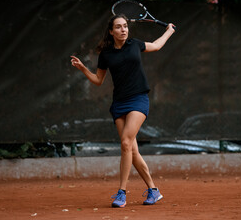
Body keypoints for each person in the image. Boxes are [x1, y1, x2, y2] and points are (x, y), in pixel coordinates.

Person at [71, 14, 175, 208]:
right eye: (118, 27)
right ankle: (153, 190)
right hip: (119, 103)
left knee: (126, 142)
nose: (123, 29)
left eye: (125, 26)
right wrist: (83, 68)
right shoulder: (106, 54)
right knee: (131, 150)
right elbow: (98, 80)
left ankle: (121, 192)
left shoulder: (135, 44)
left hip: (139, 99)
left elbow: (156, 45)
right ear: (111, 31)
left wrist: (168, 31)